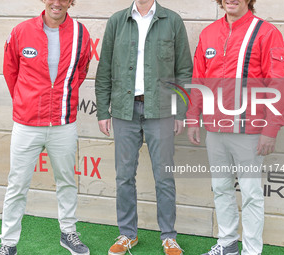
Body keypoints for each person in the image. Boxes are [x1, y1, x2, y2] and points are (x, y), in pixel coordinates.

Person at [186, 0, 284, 255]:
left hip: (250, 130)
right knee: (221, 188)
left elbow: (277, 83)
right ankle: (227, 243)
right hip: (215, 129)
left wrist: (270, 130)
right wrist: (192, 117)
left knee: (252, 194)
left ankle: (251, 251)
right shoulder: (209, 32)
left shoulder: (265, 32)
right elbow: (199, 77)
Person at [95, 0, 192, 254]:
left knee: (164, 177)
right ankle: (127, 234)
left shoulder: (172, 20)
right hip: (125, 110)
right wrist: (103, 110)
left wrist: (181, 111)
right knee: (124, 175)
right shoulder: (118, 21)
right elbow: (104, 67)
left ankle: (169, 237)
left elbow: (184, 70)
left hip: (160, 111)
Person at [0, 0, 91, 254]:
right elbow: (10, 72)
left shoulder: (81, 33)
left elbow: (81, 71)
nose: (57, 2)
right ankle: (8, 243)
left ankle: (68, 233)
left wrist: (59, 98)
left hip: (63, 122)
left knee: (67, 181)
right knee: (17, 185)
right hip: (27, 123)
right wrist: (27, 101)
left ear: (71, 2)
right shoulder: (21, 31)